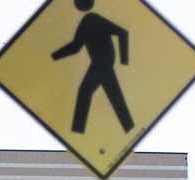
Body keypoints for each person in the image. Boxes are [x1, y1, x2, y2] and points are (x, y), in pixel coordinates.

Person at [52, 0, 135, 134]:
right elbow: (75, 47)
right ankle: (129, 127)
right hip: (102, 62)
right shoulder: (87, 20)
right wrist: (54, 56)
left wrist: (124, 60)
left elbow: (123, 33)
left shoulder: (92, 19)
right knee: (114, 95)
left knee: (85, 92)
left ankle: (77, 131)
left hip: (102, 62)